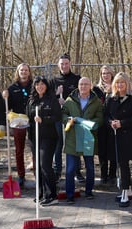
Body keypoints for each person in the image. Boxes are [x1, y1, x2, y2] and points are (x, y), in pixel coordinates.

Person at [104, 72, 132, 207]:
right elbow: (106, 115)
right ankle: (128, 190)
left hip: (128, 137)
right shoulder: (110, 98)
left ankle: (125, 192)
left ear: (127, 83)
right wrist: (111, 123)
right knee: (120, 164)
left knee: (124, 164)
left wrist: (122, 123)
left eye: (122, 82)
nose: (120, 85)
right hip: (114, 136)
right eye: (117, 82)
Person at [62, 77, 103, 202]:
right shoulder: (69, 100)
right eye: (81, 84)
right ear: (78, 86)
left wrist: (92, 123)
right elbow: (63, 114)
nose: (83, 86)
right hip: (72, 139)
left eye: (86, 84)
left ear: (90, 86)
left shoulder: (96, 102)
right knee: (70, 169)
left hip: (88, 138)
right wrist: (68, 120)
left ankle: (89, 191)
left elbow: (100, 118)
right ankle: (70, 195)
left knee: (90, 167)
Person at [26, 76, 61, 206]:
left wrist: (43, 119)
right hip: (34, 137)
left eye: (42, 84)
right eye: (37, 84)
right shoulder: (31, 101)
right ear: (34, 86)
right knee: (38, 167)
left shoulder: (52, 99)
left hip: (48, 137)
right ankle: (40, 193)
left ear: (46, 86)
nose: (40, 86)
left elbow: (57, 116)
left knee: (45, 165)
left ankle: (52, 195)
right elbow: (28, 118)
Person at [49, 53, 82, 182]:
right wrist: (56, 95)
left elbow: (82, 97)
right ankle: (57, 171)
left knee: (74, 143)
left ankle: (77, 171)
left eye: (66, 63)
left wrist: (67, 103)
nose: (64, 66)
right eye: (62, 64)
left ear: (70, 64)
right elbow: (48, 100)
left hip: (73, 117)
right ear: (58, 65)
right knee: (58, 144)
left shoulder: (77, 79)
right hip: (58, 117)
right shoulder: (53, 81)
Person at [3, 63, 33, 187]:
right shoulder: (12, 88)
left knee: (35, 146)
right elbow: (7, 106)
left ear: (29, 72)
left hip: (32, 119)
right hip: (18, 121)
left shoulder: (34, 85)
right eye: (22, 70)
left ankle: (36, 169)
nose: (24, 72)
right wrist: (4, 97)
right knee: (19, 149)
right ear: (18, 72)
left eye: (26, 70)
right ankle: (21, 175)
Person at [92, 65, 115, 184]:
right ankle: (103, 174)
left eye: (107, 73)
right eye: (103, 73)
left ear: (112, 74)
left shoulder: (116, 87)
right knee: (102, 150)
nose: (105, 75)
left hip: (113, 123)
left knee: (113, 148)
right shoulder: (96, 89)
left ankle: (112, 174)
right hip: (101, 123)